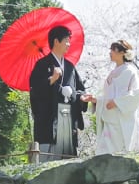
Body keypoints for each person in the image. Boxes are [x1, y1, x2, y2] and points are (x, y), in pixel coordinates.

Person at [28, 24, 94, 159]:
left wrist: (81, 97)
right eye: (66, 41)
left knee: (68, 152)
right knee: (49, 157)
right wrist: (51, 80)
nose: (69, 44)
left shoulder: (70, 67)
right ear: (56, 41)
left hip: (68, 116)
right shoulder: (42, 64)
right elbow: (35, 90)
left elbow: (79, 89)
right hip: (50, 118)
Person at [94, 39, 139, 155]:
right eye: (110, 49)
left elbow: (138, 91)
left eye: (113, 50)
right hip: (110, 119)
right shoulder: (112, 73)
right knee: (105, 155)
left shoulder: (131, 71)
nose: (110, 52)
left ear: (123, 53)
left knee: (121, 153)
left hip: (123, 120)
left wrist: (117, 102)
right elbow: (108, 96)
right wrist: (96, 100)